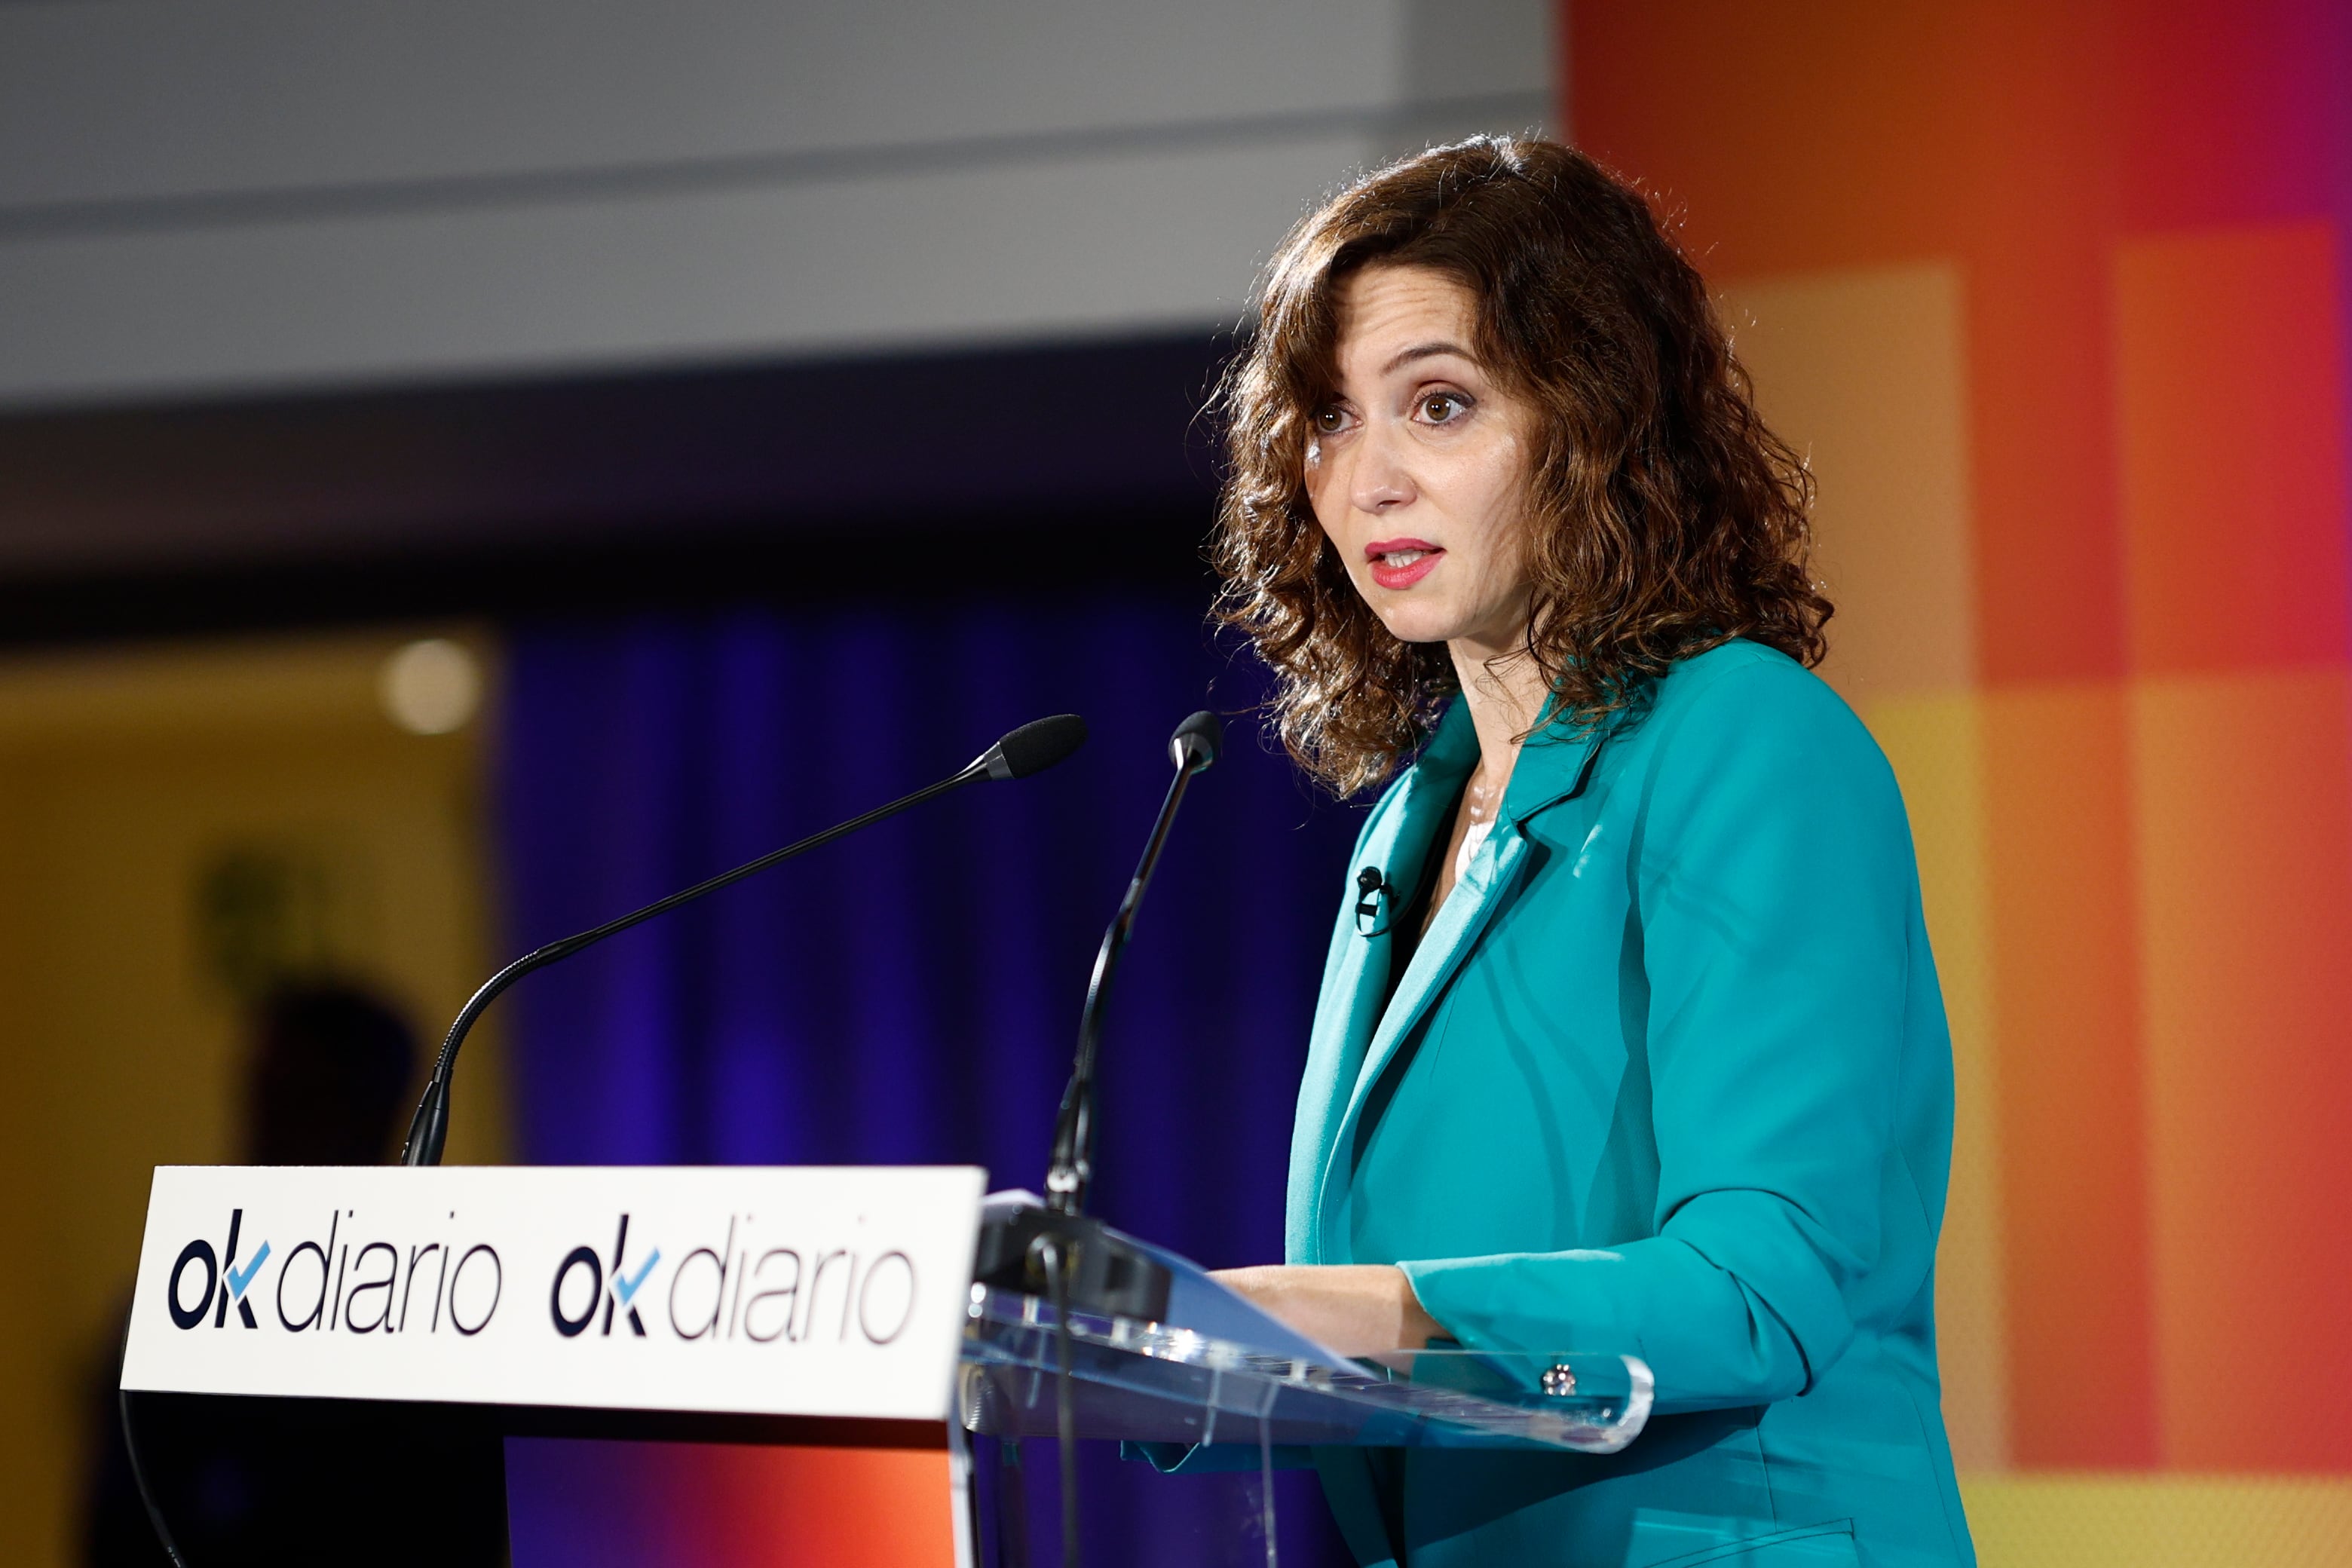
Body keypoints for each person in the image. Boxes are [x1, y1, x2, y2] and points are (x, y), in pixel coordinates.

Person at [1205, 137, 1974, 1567]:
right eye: (1325, 419)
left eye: (1437, 404)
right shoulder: (1412, 821)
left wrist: (1359, 1312)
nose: (1365, 478)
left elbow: (1765, 1285)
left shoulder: (1748, 740)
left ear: (1595, 420)